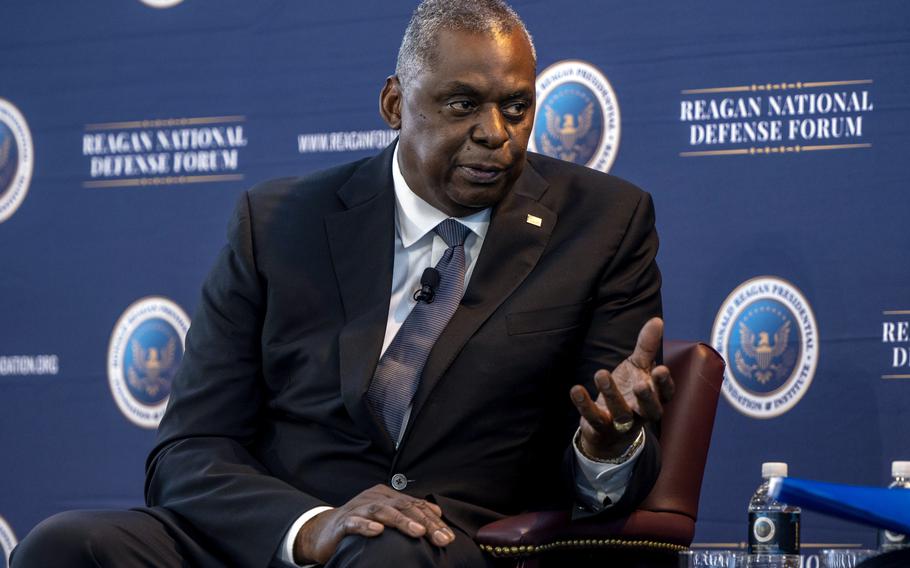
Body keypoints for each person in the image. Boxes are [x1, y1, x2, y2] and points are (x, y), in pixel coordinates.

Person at [11, 1, 673, 566]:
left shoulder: (603, 225)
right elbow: (188, 450)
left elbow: (608, 458)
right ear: (394, 104)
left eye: (517, 108)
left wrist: (605, 445)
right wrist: (312, 529)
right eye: (462, 104)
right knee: (67, 546)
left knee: (386, 549)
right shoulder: (276, 225)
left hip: (448, 543)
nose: (494, 134)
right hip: (285, 537)